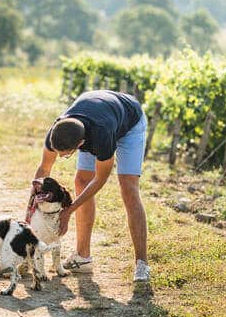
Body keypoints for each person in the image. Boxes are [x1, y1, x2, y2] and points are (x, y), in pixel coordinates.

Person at [33, 90, 150, 282]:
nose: (61, 157)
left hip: (129, 121)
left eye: (67, 154)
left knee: (128, 187)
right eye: (59, 152)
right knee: (80, 180)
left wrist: (69, 211)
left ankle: (142, 264)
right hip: (97, 115)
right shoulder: (57, 130)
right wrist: (32, 205)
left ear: (80, 144)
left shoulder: (101, 135)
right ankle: (83, 257)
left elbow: (100, 179)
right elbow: (44, 169)